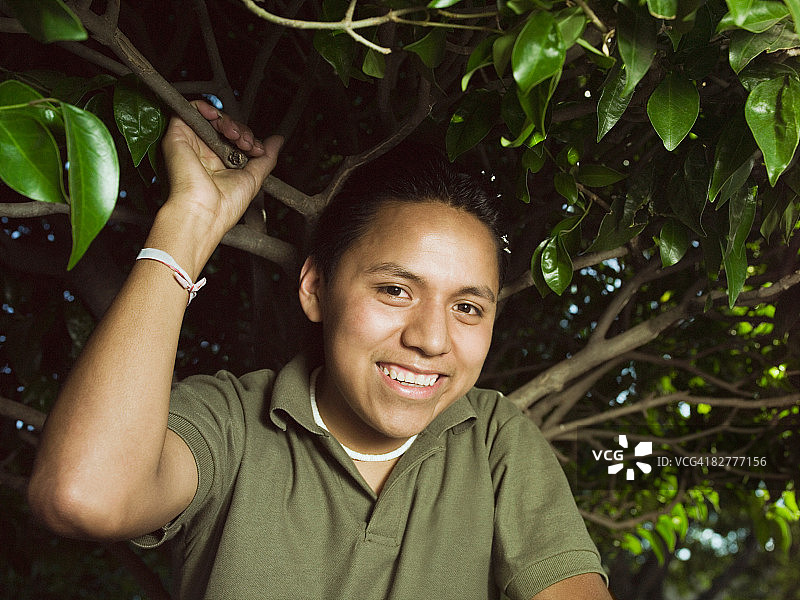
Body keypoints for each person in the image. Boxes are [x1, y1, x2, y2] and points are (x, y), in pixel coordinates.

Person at [27, 101, 612, 599]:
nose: (431, 340)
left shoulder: (493, 438)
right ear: (314, 289)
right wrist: (190, 221)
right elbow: (82, 496)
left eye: (467, 307)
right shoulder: (231, 422)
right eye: (394, 290)